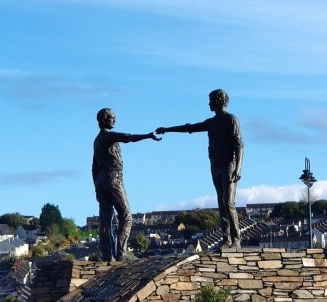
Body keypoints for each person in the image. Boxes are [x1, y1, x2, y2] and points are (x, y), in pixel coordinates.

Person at [156, 89, 244, 247]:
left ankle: (236, 239)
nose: (208, 103)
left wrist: (238, 168)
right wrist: (168, 129)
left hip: (229, 165)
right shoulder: (211, 122)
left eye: (210, 100)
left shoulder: (231, 119)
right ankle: (226, 239)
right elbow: (189, 128)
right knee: (221, 204)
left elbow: (239, 146)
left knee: (228, 202)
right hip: (215, 166)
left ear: (218, 101)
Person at [92, 108, 160, 263]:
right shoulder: (108, 136)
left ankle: (106, 255)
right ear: (104, 120)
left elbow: (94, 167)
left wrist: (96, 187)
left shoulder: (97, 140)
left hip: (101, 181)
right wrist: (148, 136)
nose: (115, 120)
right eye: (112, 118)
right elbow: (127, 137)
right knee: (127, 217)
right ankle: (121, 254)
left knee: (106, 220)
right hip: (113, 179)